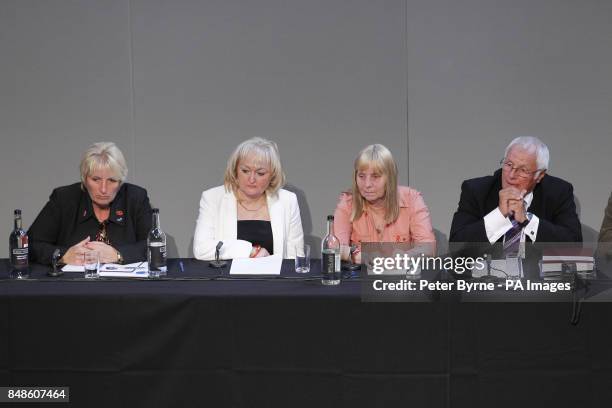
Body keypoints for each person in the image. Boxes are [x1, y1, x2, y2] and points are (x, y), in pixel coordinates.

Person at [28, 142, 153, 265]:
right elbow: (29, 245)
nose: (103, 189)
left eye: (112, 180)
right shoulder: (64, 199)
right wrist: (63, 255)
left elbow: (155, 245)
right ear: (84, 178)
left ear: (120, 182)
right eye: (96, 179)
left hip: (123, 285)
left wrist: (118, 255)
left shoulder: (136, 198)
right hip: (72, 283)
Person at [449, 136, 582, 247]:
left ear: (540, 175)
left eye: (523, 170)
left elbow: (574, 246)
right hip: (485, 277)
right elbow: (456, 246)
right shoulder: (476, 190)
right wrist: (499, 215)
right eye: (509, 165)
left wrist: (527, 220)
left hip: (537, 277)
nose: (511, 175)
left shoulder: (558, 192)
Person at [193, 137, 304, 260]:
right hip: (228, 278)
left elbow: (296, 259)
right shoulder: (213, 198)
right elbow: (201, 249)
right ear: (235, 170)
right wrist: (251, 251)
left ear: (272, 175)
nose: (251, 179)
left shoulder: (288, 200)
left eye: (260, 173)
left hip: (273, 278)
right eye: (245, 171)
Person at [333, 144, 436, 263]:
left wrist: (400, 258)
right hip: (361, 278)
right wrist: (359, 256)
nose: (367, 184)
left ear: (390, 178)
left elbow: (428, 249)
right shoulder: (348, 203)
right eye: (361, 176)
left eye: (375, 176)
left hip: (401, 277)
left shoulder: (412, 199)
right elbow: (336, 248)